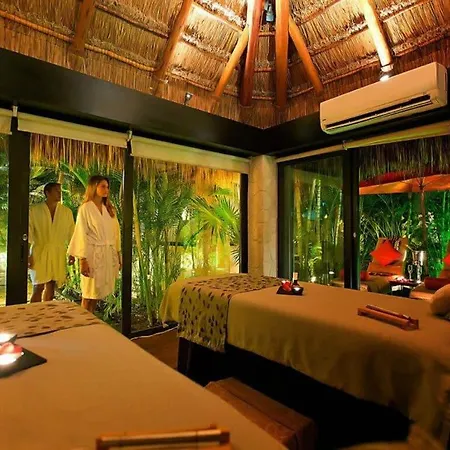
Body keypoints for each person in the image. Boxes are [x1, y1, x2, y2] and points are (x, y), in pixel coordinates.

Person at [68, 175, 121, 313]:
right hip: (92, 254)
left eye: (107, 187)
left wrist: (118, 255)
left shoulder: (109, 209)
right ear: (94, 187)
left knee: (97, 294)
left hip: (107, 254)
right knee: (88, 294)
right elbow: (81, 233)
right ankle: (83, 323)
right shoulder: (85, 209)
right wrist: (82, 260)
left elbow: (116, 234)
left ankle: (90, 320)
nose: (106, 189)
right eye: (103, 186)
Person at [28, 182, 75, 302]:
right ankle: (34, 311)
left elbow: (72, 233)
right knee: (38, 286)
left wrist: (72, 253)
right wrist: (29, 255)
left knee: (51, 285)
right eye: (56, 191)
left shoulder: (66, 212)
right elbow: (28, 232)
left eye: (60, 191)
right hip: (39, 250)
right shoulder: (35, 210)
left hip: (57, 252)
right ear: (47, 193)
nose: (59, 194)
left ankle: (47, 311)